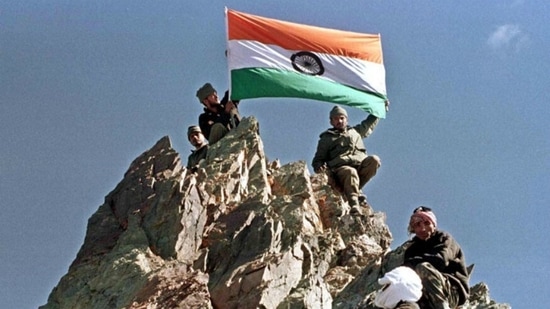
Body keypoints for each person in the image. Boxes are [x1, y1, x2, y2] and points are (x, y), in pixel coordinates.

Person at [311, 105, 383, 215]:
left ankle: (354, 189)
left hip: (359, 166)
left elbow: (369, 124)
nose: (339, 121)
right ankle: (354, 204)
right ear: (331, 122)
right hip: (340, 170)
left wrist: (380, 108)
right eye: (335, 119)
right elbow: (318, 159)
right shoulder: (327, 138)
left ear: (346, 119)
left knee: (374, 160)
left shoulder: (355, 132)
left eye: (341, 118)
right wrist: (319, 167)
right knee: (350, 172)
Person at [403, 206, 470, 309]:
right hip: (423, 293)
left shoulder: (444, 238)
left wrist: (414, 262)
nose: (422, 228)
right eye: (417, 225)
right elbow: (405, 269)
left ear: (434, 225)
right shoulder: (412, 249)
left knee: (423, 268)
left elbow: (440, 260)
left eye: (426, 223)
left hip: (451, 291)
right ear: (413, 229)